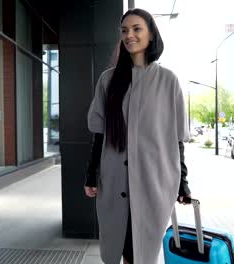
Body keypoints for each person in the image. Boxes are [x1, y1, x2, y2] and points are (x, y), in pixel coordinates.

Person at [84, 8, 191, 264]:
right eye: (124, 30)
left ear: (151, 34)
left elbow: (177, 137)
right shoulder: (108, 80)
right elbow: (99, 134)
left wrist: (182, 181)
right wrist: (91, 174)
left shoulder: (168, 81)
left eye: (136, 29)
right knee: (117, 246)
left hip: (153, 182)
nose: (129, 35)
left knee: (142, 251)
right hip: (114, 181)